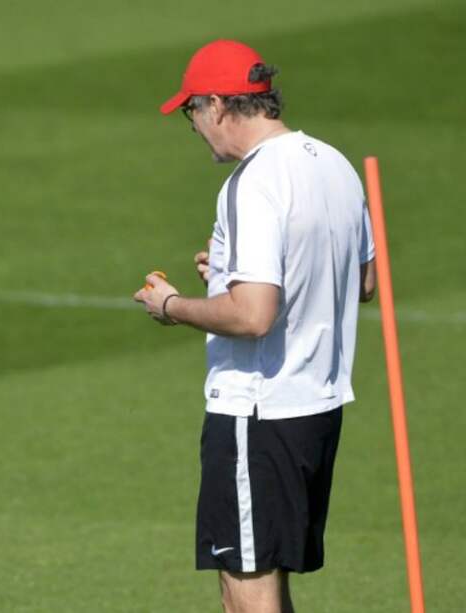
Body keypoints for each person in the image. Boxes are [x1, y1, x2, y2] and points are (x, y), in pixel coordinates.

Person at [134, 40, 376, 613]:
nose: (194, 127)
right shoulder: (332, 162)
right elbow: (361, 282)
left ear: (217, 105)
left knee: (246, 589)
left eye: (192, 112)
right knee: (268, 579)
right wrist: (232, 270)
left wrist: (172, 305)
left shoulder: (253, 181)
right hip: (316, 410)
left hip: (257, 412)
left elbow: (252, 315)